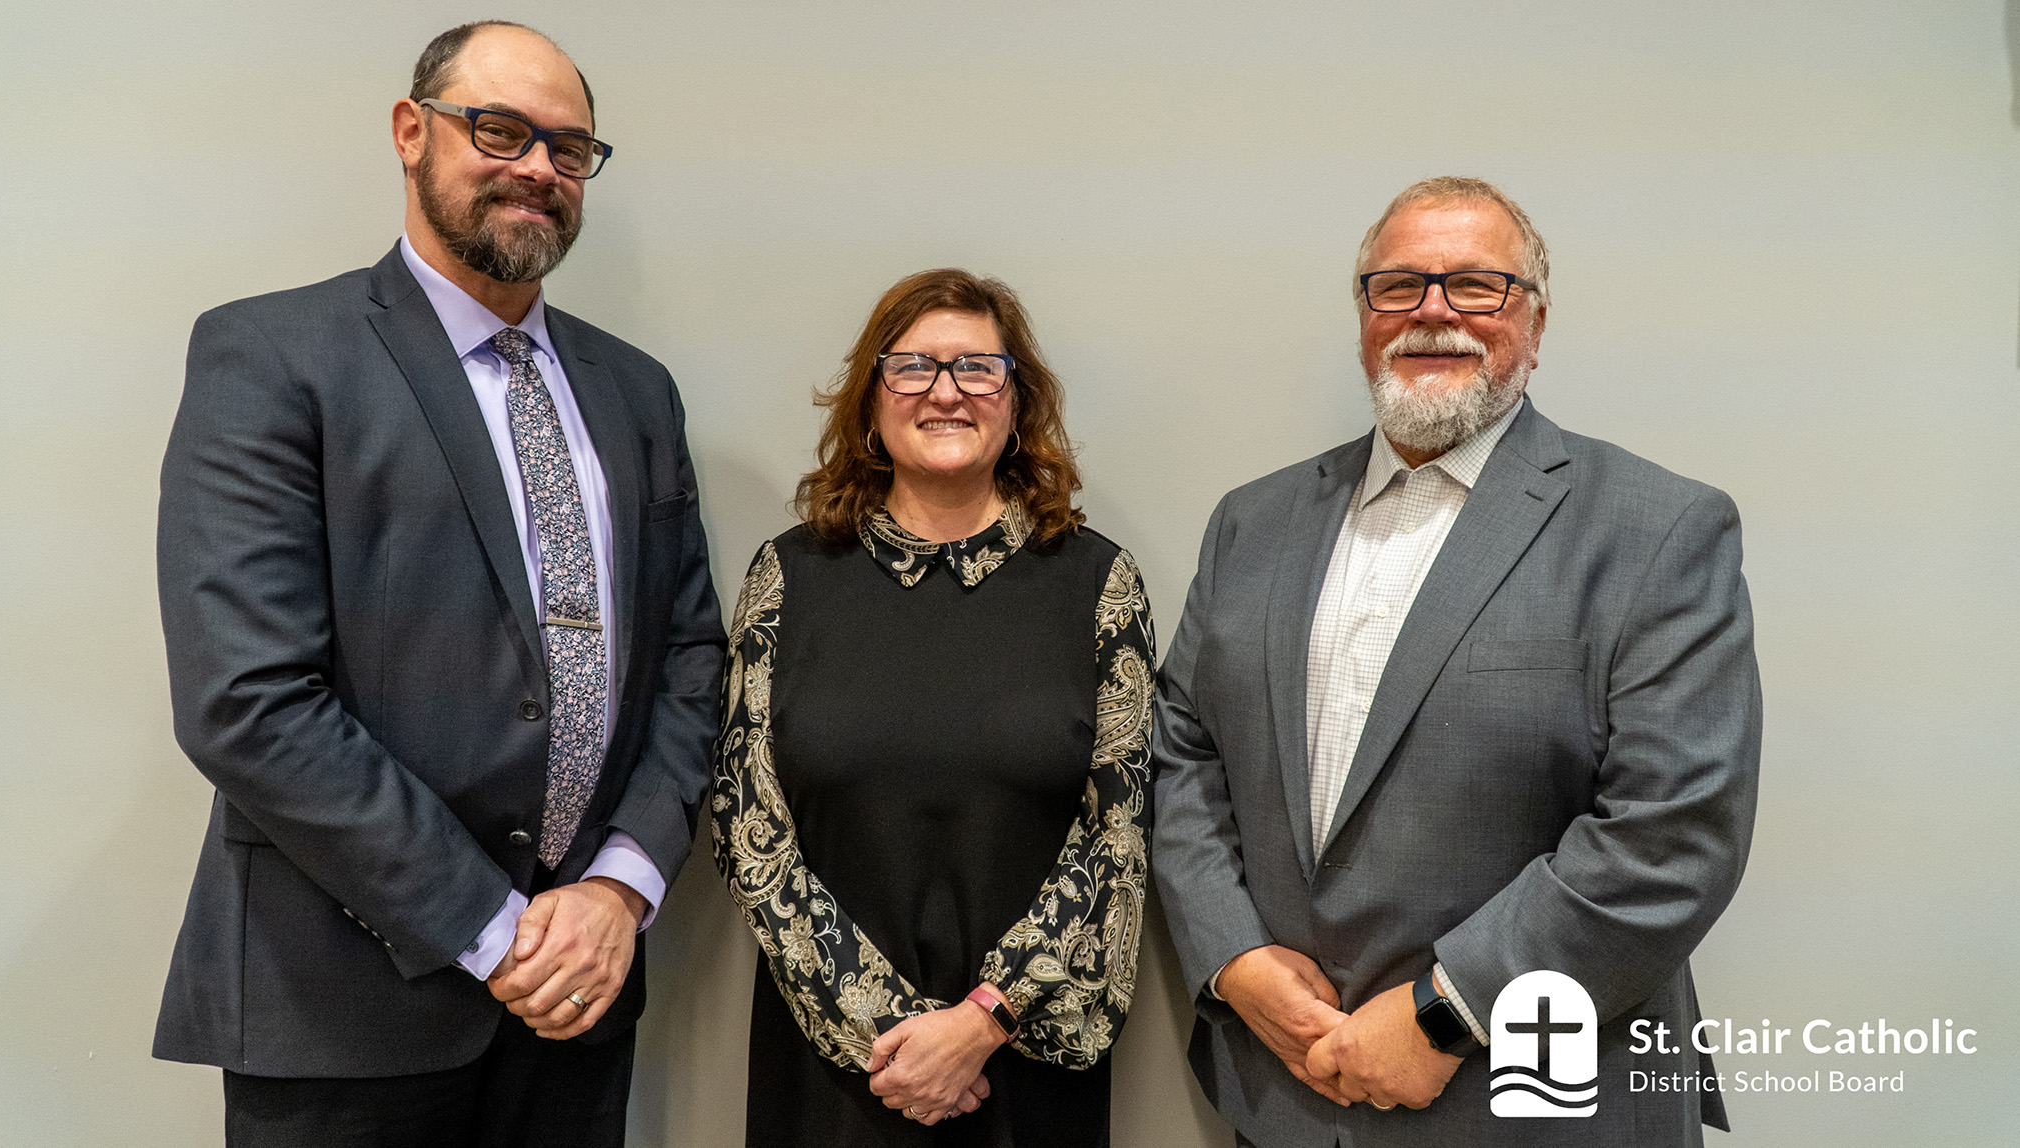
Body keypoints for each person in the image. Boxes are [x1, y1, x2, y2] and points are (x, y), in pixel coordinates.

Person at [152, 21, 725, 1147]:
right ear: (411, 132)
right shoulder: (272, 355)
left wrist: (621, 884)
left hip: (580, 1003)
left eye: (569, 148)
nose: (539, 168)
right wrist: (493, 930)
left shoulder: (637, 392)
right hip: (342, 1006)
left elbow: (689, 655)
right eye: (500, 130)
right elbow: (245, 699)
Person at [1151, 177, 1762, 1147]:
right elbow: (1180, 750)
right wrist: (1233, 957)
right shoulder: (1251, 522)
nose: (1432, 310)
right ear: (1364, 315)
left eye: (1476, 284)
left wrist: (1450, 1008)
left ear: (1535, 320)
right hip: (1285, 1095)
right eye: (1398, 284)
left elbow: (1674, 830)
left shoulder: (1656, 529)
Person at [710, 268, 1155, 1147]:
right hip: (836, 1070)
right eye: (912, 366)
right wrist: (893, 1038)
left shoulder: (1100, 583)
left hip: (1023, 1065)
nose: (945, 392)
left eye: (977, 368)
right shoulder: (787, 576)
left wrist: (982, 1021)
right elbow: (744, 826)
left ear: (1017, 402)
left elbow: (1119, 839)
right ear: (870, 400)